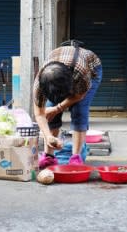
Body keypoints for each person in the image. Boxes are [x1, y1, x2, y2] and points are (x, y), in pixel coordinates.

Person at [33, 41, 102, 169]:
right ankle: (49, 156)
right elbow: (39, 114)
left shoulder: (80, 73)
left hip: (92, 67)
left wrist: (58, 108)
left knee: (79, 110)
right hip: (61, 68)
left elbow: (79, 96)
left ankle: (76, 156)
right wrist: (48, 136)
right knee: (50, 110)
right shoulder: (40, 82)